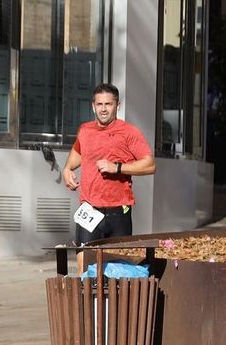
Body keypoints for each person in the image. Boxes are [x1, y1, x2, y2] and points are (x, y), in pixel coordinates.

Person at [60, 83, 156, 244]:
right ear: (93, 106)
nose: (103, 109)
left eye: (108, 104)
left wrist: (117, 167)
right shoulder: (85, 130)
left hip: (119, 211)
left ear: (117, 106)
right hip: (89, 210)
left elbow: (150, 165)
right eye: (99, 104)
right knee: (85, 266)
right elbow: (78, 152)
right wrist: (67, 169)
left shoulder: (129, 132)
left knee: (118, 266)